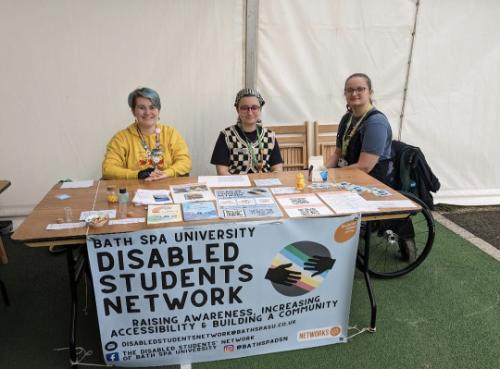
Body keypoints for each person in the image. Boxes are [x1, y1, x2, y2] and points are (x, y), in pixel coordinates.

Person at [102, 87, 192, 180]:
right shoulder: (121, 138)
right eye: (141, 108)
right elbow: (108, 169)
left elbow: (185, 162)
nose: (147, 112)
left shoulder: (171, 133)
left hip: (167, 187)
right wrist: (138, 174)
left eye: (152, 107)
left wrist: (166, 173)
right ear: (133, 111)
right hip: (134, 190)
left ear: (158, 110)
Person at [325, 73, 393, 185]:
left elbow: (364, 167)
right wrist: (321, 171)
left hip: (371, 183)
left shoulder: (376, 122)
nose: (354, 93)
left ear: (370, 93)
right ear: (345, 94)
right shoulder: (347, 118)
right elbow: (337, 154)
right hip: (347, 178)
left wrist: (332, 175)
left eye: (360, 89)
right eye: (349, 90)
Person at [210, 88, 284, 175]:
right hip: (236, 185)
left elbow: (277, 169)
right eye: (244, 108)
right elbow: (222, 171)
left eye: (254, 107)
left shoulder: (270, 136)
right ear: (237, 110)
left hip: (263, 185)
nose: (250, 112)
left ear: (260, 109)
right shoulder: (226, 135)